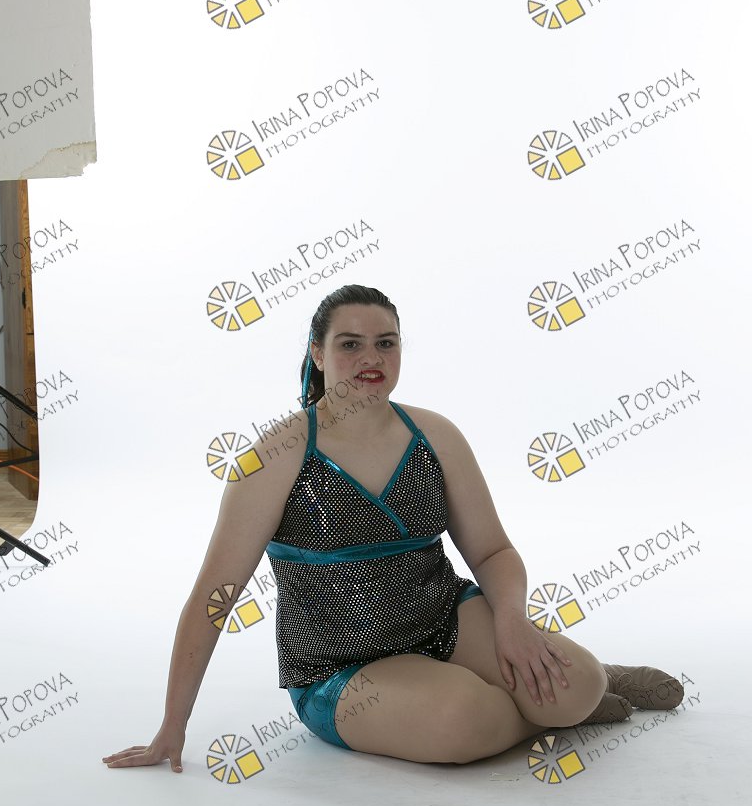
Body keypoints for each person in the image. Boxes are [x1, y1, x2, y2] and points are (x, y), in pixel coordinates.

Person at [103, 283, 683, 773]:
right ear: (318, 353)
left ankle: (588, 689)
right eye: (349, 344)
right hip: (340, 665)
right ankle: (549, 714)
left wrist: (511, 622)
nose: (370, 357)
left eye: (385, 342)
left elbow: (492, 551)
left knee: (577, 682)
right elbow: (216, 595)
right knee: (463, 717)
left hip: (443, 618)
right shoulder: (278, 455)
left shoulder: (435, 434)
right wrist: (171, 726)